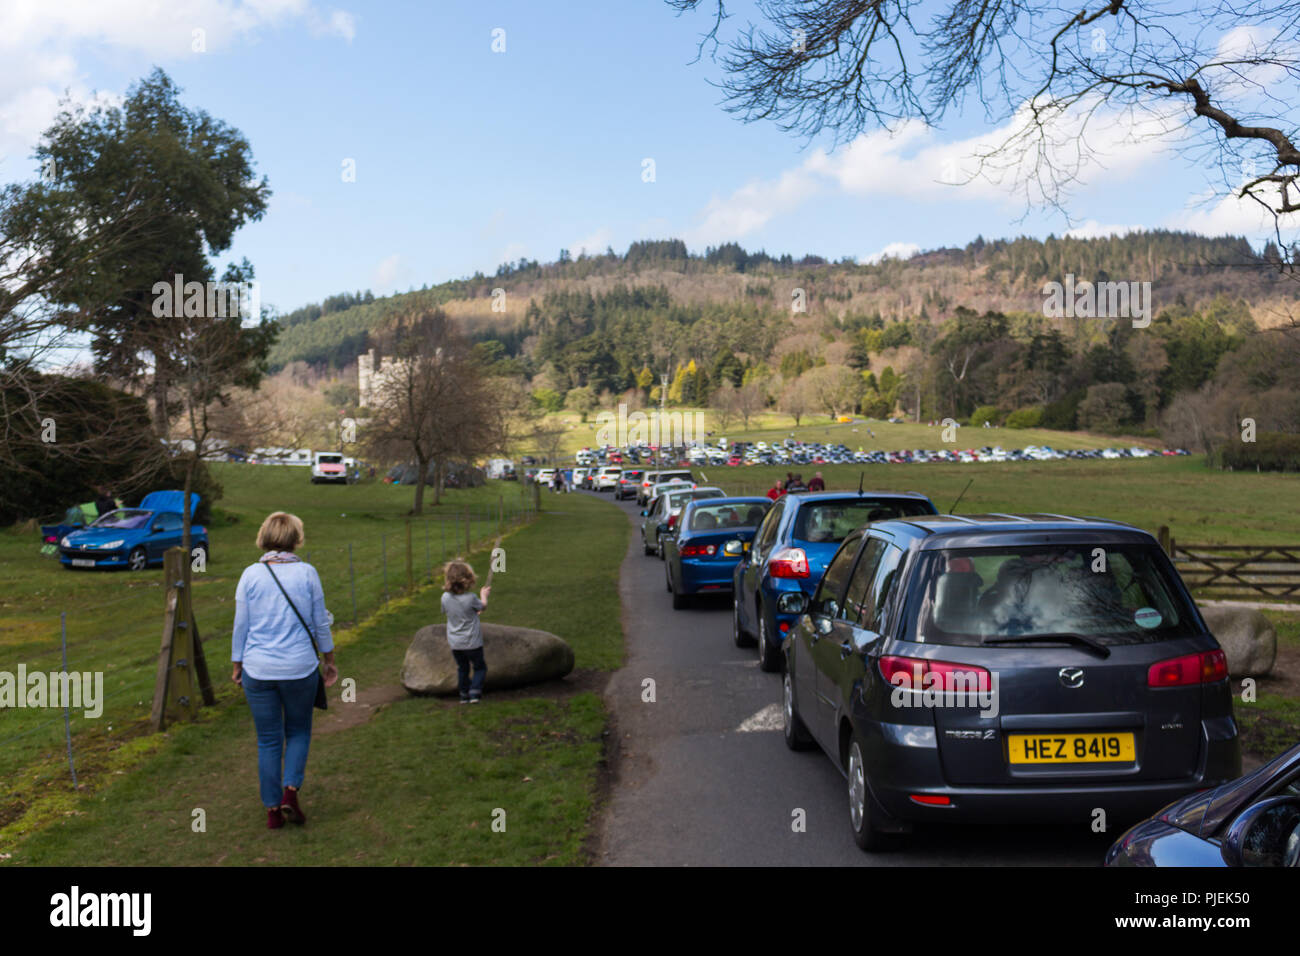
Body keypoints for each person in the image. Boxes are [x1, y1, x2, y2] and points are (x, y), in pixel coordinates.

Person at [231, 512, 337, 830]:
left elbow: (241, 626)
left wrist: (237, 664)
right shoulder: (307, 573)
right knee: (299, 731)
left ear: (264, 537)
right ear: (296, 539)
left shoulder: (250, 575)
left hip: (258, 669)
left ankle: (272, 810)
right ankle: (291, 790)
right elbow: (320, 622)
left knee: (267, 740)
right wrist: (329, 660)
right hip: (299, 668)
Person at [441, 560, 491, 703]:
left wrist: (472, 613)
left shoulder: (445, 598)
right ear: (469, 579)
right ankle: (475, 692)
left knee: (462, 668)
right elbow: (483, 606)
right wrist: (484, 595)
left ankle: (464, 695)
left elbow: (450, 611)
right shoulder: (471, 598)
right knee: (480, 667)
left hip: (455, 643)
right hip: (472, 642)